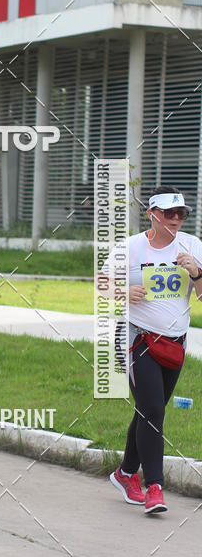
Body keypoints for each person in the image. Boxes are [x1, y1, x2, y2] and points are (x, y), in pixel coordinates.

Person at [106, 186, 202, 514]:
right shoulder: (130, 248)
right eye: (169, 213)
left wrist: (196, 272)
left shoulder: (192, 246)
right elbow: (102, 283)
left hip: (174, 342)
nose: (176, 219)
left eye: (181, 214)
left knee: (150, 409)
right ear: (152, 214)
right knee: (153, 412)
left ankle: (125, 473)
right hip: (137, 339)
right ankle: (155, 488)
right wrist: (124, 291)